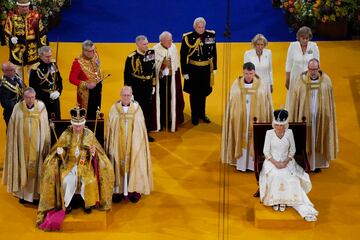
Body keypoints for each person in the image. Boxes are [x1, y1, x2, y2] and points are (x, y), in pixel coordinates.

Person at [36, 106, 114, 227]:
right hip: (68, 165)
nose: (78, 128)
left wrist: (94, 153)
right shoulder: (66, 134)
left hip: (85, 166)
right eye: (75, 126)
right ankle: (67, 204)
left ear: (84, 124)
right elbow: (55, 150)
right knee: (67, 180)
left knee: (89, 181)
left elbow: (99, 153)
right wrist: (60, 152)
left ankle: (87, 203)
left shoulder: (89, 134)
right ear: (72, 124)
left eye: (80, 125)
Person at [259, 109, 318, 222]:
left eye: (281, 125)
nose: (279, 127)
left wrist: (285, 161)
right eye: (277, 125)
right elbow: (266, 151)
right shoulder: (269, 133)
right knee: (275, 175)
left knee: (291, 177)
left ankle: (284, 201)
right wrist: (276, 163)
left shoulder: (289, 133)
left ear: (285, 124)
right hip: (272, 161)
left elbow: (293, 150)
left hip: (287, 161)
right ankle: (276, 201)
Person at [288, 58, 338, 171]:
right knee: (306, 138)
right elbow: (295, 102)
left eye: (315, 69)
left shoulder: (326, 81)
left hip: (321, 117)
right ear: (308, 68)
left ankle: (318, 164)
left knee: (318, 137)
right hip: (305, 117)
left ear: (318, 68)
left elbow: (330, 102)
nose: (313, 71)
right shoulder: (300, 81)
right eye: (311, 69)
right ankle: (305, 162)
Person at [221, 62, 273, 171]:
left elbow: (266, 103)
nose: (248, 76)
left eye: (250, 73)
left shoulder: (262, 85)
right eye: (246, 73)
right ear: (242, 72)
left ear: (254, 72)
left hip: (257, 117)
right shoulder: (236, 84)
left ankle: (252, 165)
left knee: (254, 137)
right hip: (240, 120)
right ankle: (241, 165)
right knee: (241, 136)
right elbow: (232, 102)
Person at [105, 86, 153, 203]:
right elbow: (110, 127)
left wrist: (136, 142)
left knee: (134, 162)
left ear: (131, 96)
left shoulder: (137, 108)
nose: (126, 97)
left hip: (133, 144)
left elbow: (141, 128)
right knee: (117, 162)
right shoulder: (114, 108)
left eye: (128, 95)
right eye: (124, 95)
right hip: (118, 144)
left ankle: (134, 190)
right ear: (120, 95)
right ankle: (118, 191)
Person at [2, 87, 50, 204]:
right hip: (22, 146)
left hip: (37, 145)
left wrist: (44, 143)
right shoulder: (18, 108)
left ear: (35, 97)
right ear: (24, 97)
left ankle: (36, 195)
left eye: (32, 97)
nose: (30, 100)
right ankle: (23, 195)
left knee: (37, 167)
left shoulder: (41, 107)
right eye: (28, 98)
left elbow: (45, 127)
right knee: (22, 166)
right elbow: (13, 128)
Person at [180, 17, 217, 125]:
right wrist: (185, 72)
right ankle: (194, 115)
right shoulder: (188, 37)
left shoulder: (210, 35)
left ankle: (202, 113)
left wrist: (214, 67)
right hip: (193, 69)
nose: (201, 29)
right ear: (195, 27)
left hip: (206, 69)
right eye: (199, 27)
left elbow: (214, 52)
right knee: (194, 93)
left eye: (203, 27)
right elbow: (183, 56)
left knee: (204, 92)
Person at [4, 0, 48, 80]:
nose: (25, 8)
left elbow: (42, 32)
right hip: (17, 51)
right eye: (22, 7)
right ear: (18, 6)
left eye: (26, 6)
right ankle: (18, 90)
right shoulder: (11, 17)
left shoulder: (35, 16)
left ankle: (33, 91)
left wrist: (43, 48)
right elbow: (7, 32)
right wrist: (11, 40)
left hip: (33, 49)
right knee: (16, 74)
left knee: (34, 75)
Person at [124, 35, 156, 141]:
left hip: (147, 86)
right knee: (136, 111)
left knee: (147, 111)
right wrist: (129, 92)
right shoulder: (131, 58)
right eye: (144, 44)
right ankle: (135, 133)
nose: (147, 46)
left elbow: (153, 70)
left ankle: (145, 133)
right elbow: (127, 76)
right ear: (137, 44)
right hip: (137, 88)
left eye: (147, 43)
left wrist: (153, 85)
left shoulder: (151, 53)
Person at [153, 31, 185, 132]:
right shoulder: (155, 50)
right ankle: (162, 121)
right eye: (169, 40)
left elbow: (176, 64)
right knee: (162, 101)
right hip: (162, 81)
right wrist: (162, 66)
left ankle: (172, 119)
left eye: (171, 40)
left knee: (172, 99)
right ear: (162, 41)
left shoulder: (173, 47)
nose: (171, 42)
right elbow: (154, 67)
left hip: (172, 79)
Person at [285, 26, 320, 107]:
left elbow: (317, 64)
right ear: (299, 37)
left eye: (307, 38)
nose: (305, 40)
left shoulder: (314, 46)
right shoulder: (292, 46)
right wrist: (287, 79)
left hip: (309, 78)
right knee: (293, 100)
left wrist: (316, 79)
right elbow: (288, 63)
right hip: (295, 78)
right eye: (303, 38)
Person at [69, 40, 103, 120]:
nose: (94, 52)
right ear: (84, 51)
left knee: (96, 110)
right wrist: (86, 84)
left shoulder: (95, 54)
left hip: (97, 88)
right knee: (87, 114)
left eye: (94, 49)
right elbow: (72, 79)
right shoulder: (77, 63)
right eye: (91, 51)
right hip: (86, 93)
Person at [29, 46, 63, 120]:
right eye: (47, 57)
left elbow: (59, 80)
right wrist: (47, 95)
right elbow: (33, 87)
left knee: (56, 119)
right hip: (43, 100)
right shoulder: (35, 69)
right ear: (40, 56)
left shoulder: (53, 64)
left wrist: (59, 92)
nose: (49, 58)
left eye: (50, 56)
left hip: (55, 97)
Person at [0, 61, 25, 126]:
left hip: (23, 111)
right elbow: (5, 103)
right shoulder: (3, 85)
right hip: (12, 113)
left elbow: (24, 88)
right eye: (10, 70)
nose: (13, 71)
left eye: (14, 69)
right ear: (3, 71)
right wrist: (20, 104)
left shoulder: (16, 77)